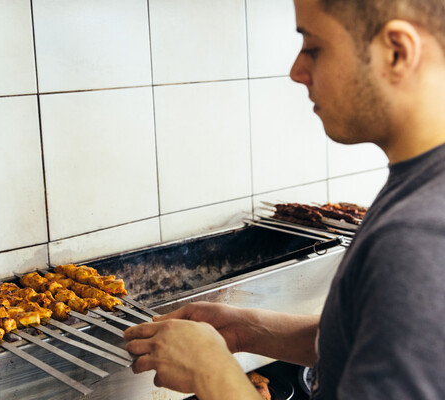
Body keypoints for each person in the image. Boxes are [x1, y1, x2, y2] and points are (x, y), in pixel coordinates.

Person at [124, 0, 445, 398]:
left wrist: (211, 371)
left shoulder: (420, 235)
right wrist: (246, 330)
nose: (297, 72)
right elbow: (367, 339)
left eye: (313, 47)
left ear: (397, 51)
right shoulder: (421, 184)